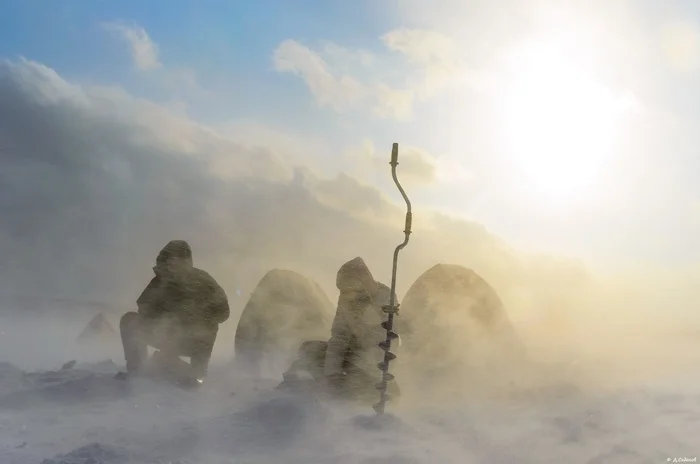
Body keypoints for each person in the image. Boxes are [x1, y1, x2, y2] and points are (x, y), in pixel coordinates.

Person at [279, 257, 400, 401]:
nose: (346, 295)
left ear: (362, 283)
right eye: (343, 290)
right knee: (311, 349)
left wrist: (368, 306)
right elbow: (339, 337)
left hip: (371, 364)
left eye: (349, 289)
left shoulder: (385, 298)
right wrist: (331, 374)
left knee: (359, 386)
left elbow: (383, 338)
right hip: (350, 354)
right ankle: (287, 392)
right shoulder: (346, 301)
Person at [118, 240, 230, 383]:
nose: (171, 265)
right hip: (166, 336)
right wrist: (161, 318)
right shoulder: (160, 280)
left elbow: (223, 312)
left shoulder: (202, 280)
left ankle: (195, 373)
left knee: (207, 329)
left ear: (185, 261)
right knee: (129, 320)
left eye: (175, 260)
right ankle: (138, 371)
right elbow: (143, 305)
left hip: (193, 341)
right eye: (168, 261)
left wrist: (195, 315)